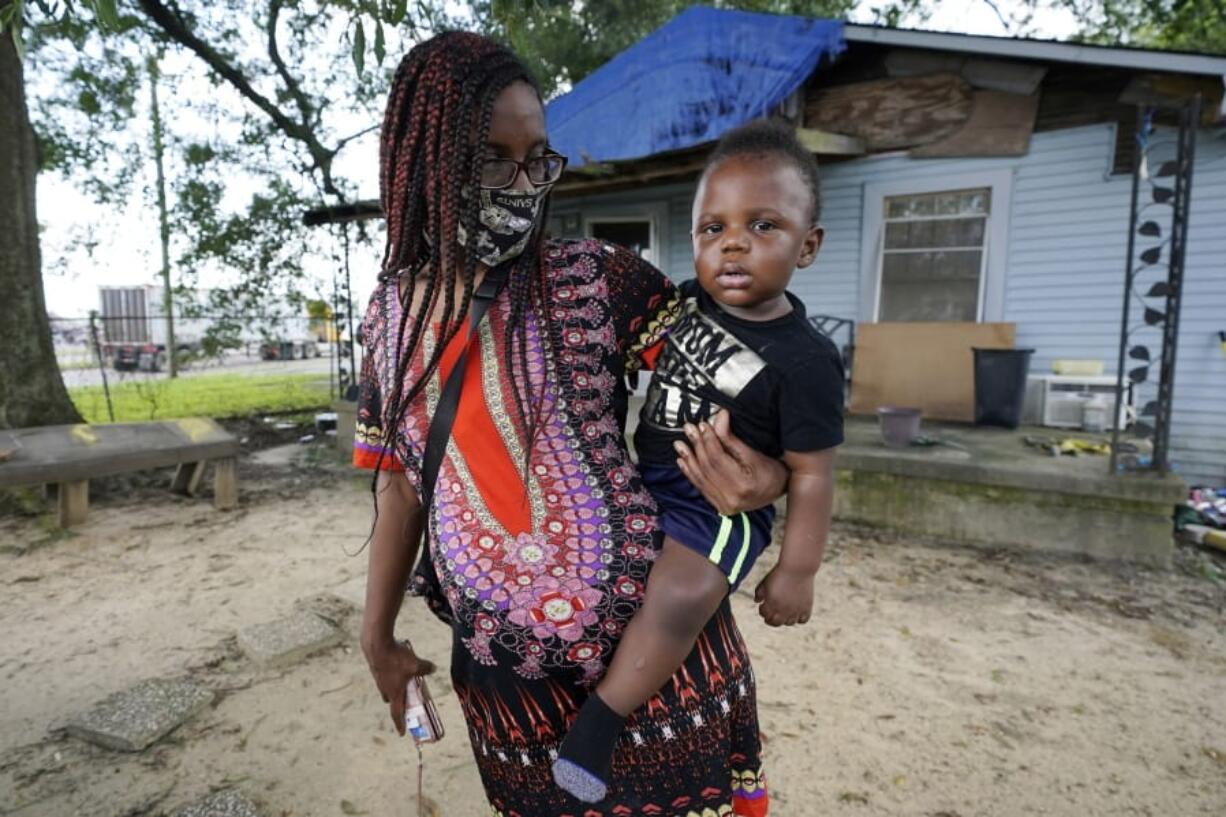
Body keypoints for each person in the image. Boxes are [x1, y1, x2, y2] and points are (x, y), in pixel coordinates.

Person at [355, 32, 788, 816]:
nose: (522, 185)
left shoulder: (601, 277)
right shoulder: (388, 321)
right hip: (505, 679)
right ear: (426, 162)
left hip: (661, 661)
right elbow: (400, 491)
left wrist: (774, 471)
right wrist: (376, 634)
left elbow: (752, 385)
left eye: (538, 159)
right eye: (491, 157)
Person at [553, 120, 844, 803]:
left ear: (809, 246)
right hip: (640, 478)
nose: (732, 242)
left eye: (762, 225)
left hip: (713, 510)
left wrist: (797, 571)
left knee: (680, 595)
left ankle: (600, 720)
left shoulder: (807, 361)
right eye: (711, 228)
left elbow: (812, 472)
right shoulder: (679, 306)